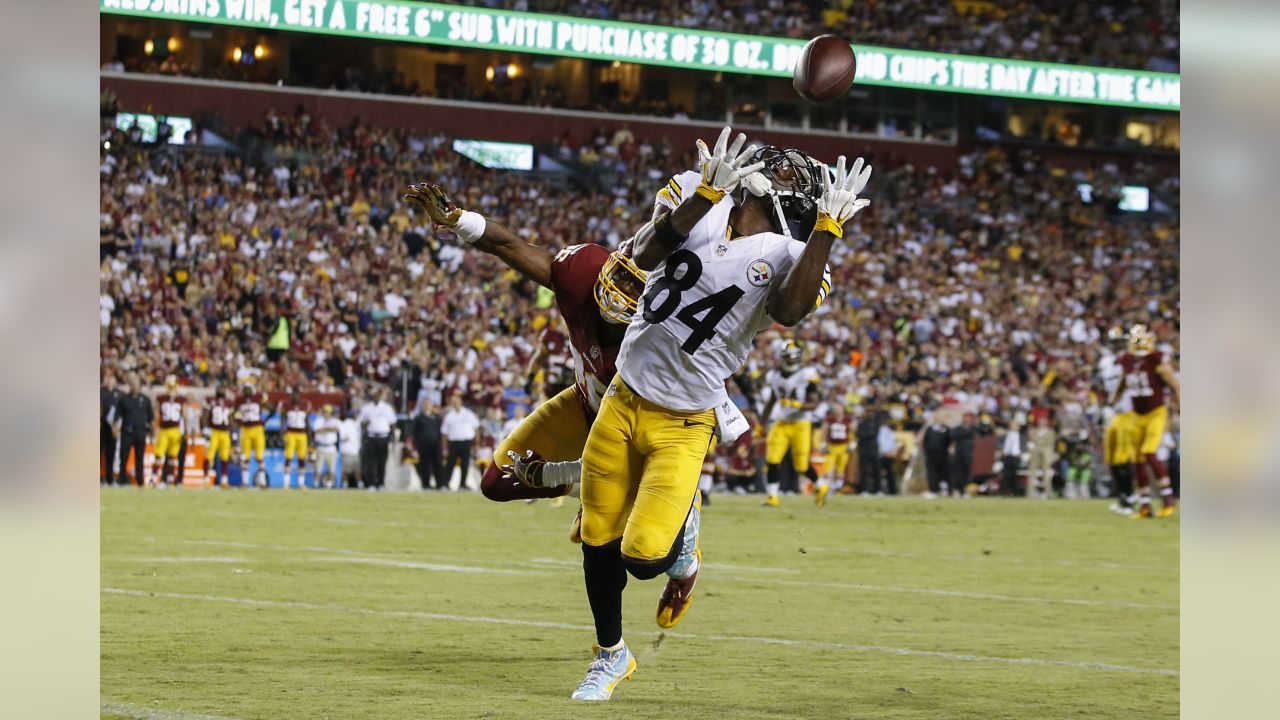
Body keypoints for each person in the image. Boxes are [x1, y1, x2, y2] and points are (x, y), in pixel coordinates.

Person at [566, 129, 868, 700]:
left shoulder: (794, 254)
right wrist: (704, 197)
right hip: (623, 395)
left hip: (684, 420)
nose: (790, 185)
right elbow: (646, 255)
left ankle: (684, 540)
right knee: (598, 538)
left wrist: (829, 231)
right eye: (786, 176)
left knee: (643, 559)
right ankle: (610, 656)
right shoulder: (695, 194)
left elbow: (789, 312)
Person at [1112, 324, 1181, 518]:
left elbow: (1175, 384)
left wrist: (1180, 406)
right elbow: (1123, 383)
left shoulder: (1156, 359)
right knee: (1138, 458)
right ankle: (1145, 505)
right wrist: (1112, 401)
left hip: (1156, 412)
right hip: (1137, 414)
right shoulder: (1126, 360)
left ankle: (1168, 497)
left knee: (1149, 452)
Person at [761, 340, 824, 507]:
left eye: (794, 357)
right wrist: (762, 423)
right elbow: (771, 402)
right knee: (772, 459)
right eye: (788, 357)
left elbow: (814, 403)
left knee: (802, 465)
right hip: (782, 422)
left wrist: (798, 405)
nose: (791, 361)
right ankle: (772, 497)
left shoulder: (807, 374)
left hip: (801, 423)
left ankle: (821, 486)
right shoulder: (774, 375)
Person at [1098, 326, 1137, 513]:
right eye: (1116, 343)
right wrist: (1104, 407)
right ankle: (1123, 496)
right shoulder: (1105, 362)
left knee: (1125, 457)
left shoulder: (1133, 360)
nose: (1119, 346)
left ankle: (1130, 496)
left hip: (1130, 411)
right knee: (1112, 457)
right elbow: (1103, 388)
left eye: (1122, 342)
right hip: (1113, 411)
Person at [116, 374, 153, 487]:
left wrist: (152, 432)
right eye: (132, 384)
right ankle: (122, 479)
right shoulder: (124, 400)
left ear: (140, 385)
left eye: (136, 384)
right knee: (123, 457)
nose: (134, 386)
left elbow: (151, 417)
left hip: (140, 432)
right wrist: (115, 428)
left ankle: (140, 480)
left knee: (139, 457)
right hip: (127, 431)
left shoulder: (145, 400)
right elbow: (117, 416)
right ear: (129, 386)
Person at [358, 388, 397, 490]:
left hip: (383, 437)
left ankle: (381, 483)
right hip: (371, 437)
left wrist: (392, 437)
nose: (377, 396)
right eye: (375, 394)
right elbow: (362, 422)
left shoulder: (387, 408)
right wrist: (367, 423)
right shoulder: (367, 408)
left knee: (382, 462)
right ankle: (371, 483)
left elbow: (392, 423)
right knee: (371, 462)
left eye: (378, 394)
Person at [440, 394, 480, 491]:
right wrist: (444, 448)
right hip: (453, 442)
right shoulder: (449, 416)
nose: (455, 404)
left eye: (457, 402)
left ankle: (462, 484)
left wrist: (477, 443)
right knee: (450, 463)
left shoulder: (469, 414)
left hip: (466, 442)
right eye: (453, 402)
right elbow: (444, 433)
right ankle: (445, 483)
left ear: (460, 402)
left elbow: (476, 428)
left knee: (465, 464)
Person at [153, 375, 186, 488]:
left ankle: (169, 480)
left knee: (172, 456)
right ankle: (154, 479)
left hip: (175, 430)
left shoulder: (181, 399)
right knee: (159, 455)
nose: (171, 389)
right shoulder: (161, 398)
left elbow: (184, 416)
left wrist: (184, 432)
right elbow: (156, 414)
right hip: (164, 429)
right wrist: (154, 429)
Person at [236, 382, 270, 488]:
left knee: (260, 457)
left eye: (248, 388)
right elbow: (233, 414)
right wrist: (239, 422)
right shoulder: (239, 400)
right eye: (245, 388)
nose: (247, 391)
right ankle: (245, 482)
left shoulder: (258, 398)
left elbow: (271, 408)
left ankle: (262, 482)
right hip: (245, 429)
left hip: (257, 429)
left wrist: (264, 421)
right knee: (245, 457)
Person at [410, 400, 446, 490]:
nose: (426, 406)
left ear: (431, 406)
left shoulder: (437, 417)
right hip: (423, 445)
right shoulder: (418, 418)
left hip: (436, 445)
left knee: (437, 464)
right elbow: (414, 432)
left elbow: (441, 431)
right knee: (424, 465)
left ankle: (440, 484)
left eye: (428, 404)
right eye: (425, 405)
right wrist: (414, 445)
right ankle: (426, 484)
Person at [281, 389, 313, 489]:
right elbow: (283, 421)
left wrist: (309, 439)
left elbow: (307, 423)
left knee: (302, 458)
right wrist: (282, 435)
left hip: (302, 434)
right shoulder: (286, 405)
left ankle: (301, 483)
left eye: (297, 394)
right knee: (288, 457)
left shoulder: (304, 405)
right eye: (294, 394)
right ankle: (286, 483)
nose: (295, 397)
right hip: (290, 433)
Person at [205, 385, 235, 487]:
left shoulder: (228, 403)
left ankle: (224, 480)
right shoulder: (211, 401)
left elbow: (231, 418)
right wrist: (207, 428)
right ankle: (206, 479)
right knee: (210, 456)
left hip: (225, 432)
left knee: (225, 457)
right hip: (214, 431)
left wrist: (232, 431)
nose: (222, 390)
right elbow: (206, 415)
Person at [822, 403, 852, 494]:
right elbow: (825, 430)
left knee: (841, 468)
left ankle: (838, 488)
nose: (837, 409)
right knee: (828, 467)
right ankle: (826, 487)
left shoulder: (847, 419)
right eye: (836, 408)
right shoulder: (830, 418)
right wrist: (824, 443)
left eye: (839, 408)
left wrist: (852, 442)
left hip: (843, 446)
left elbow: (852, 430)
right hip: (832, 445)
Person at [1025, 414, 1057, 499]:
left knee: (1046, 474)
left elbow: (1051, 444)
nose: (1042, 423)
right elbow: (1030, 441)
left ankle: (1048, 492)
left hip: (1045, 456)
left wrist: (1041, 448)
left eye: (1044, 421)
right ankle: (1030, 493)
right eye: (1040, 421)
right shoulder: (1033, 431)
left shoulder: (1050, 432)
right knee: (1032, 473)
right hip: (1035, 456)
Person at [949, 412, 978, 496]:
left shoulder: (973, 428)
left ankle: (967, 490)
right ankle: (959, 489)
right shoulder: (958, 429)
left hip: (969, 454)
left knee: (968, 472)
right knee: (958, 473)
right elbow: (953, 435)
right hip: (959, 454)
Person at [312, 404, 341, 488]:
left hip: (331, 448)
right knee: (318, 469)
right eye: (325, 411)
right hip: (321, 447)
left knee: (331, 469)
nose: (326, 413)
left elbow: (335, 429)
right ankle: (315, 483)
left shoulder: (334, 420)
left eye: (328, 412)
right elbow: (316, 430)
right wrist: (329, 429)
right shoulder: (319, 420)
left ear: (331, 413)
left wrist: (324, 429)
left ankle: (330, 484)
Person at [855, 407, 882, 495]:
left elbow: (872, 434)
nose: (870, 414)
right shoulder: (861, 424)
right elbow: (860, 434)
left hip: (873, 450)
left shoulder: (876, 424)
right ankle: (864, 489)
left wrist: (867, 434)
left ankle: (878, 489)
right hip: (864, 450)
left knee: (876, 470)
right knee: (864, 471)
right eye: (868, 412)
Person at [922, 416, 951, 497]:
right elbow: (925, 441)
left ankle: (945, 489)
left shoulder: (946, 429)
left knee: (943, 473)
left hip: (943, 455)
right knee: (932, 473)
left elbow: (949, 440)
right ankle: (934, 490)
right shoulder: (930, 429)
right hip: (931, 455)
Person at [100, 373, 121, 486]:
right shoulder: (101, 392)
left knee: (111, 453)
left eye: (111, 379)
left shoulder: (118, 394)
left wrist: (117, 425)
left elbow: (121, 411)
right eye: (107, 379)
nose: (109, 381)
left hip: (113, 427)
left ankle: (109, 477)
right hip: (101, 425)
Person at [338, 408, 363, 489]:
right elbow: (342, 436)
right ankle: (345, 484)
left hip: (356, 450)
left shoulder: (357, 423)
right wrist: (346, 438)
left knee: (357, 470)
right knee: (346, 470)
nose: (358, 416)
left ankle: (360, 484)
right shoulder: (346, 423)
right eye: (356, 414)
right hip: (347, 450)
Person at [998, 416, 1024, 496]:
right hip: (1007, 457)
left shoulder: (1021, 436)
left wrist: (1021, 452)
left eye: (1015, 425)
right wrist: (1002, 451)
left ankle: (1015, 492)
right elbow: (1001, 445)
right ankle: (1003, 492)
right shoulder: (1006, 435)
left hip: (1016, 457)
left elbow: (1023, 446)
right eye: (1012, 424)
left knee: (1014, 475)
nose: (1013, 426)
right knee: (1006, 475)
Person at [876, 415, 899, 495]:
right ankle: (881, 490)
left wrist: (891, 453)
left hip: (888, 455)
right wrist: (885, 452)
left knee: (890, 474)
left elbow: (893, 444)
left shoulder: (889, 432)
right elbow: (878, 444)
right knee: (881, 473)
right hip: (881, 455)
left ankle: (891, 490)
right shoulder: (879, 431)